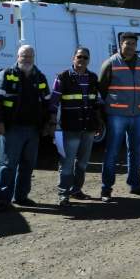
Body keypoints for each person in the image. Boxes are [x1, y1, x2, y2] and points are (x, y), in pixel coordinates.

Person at [0, 45, 53, 212]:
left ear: (34, 57)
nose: (27, 59)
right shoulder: (6, 75)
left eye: (30, 56)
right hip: (12, 128)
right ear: (17, 56)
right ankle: (3, 199)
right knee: (8, 165)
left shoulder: (40, 77)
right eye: (24, 56)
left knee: (28, 164)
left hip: (33, 130)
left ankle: (21, 197)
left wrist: (49, 123)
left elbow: (48, 103)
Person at [98, 32, 140, 201]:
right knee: (112, 152)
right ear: (120, 44)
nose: (130, 47)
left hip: (137, 115)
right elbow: (102, 88)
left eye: (133, 44)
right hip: (116, 115)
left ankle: (135, 185)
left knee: (136, 151)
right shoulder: (110, 63)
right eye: (127, 43)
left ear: (136, 46)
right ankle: (106, 188)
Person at [50, 47, 103, 206]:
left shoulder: (93, 78)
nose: (82, 60)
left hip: (89, 128)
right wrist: (52, 122)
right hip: (70, 128)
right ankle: (63, 194)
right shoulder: (63, 77)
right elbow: (54, 102)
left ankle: (76, 190)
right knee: (67, 162)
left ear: (89, 60)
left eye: (85, 58)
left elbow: (96, 103)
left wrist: (99, 122)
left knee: (82, 163)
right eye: (79, 57)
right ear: (73, 58)